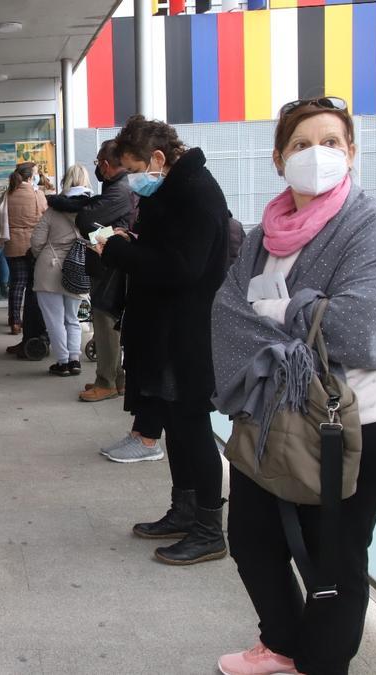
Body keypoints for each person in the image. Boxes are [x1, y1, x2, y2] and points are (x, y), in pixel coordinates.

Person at [212, 98, 376, 675]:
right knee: (252, 539)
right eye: (302, 145)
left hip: (358, 427)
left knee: (334, 563)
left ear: (351, 152)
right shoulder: (261, 237)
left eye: (331, 142)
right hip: (275, 417)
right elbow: (226, 315)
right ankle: (282, 645)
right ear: (279, 159)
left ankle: (321, 665)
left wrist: (272, 311)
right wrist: (302, 314)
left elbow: (359, 324)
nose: (317, 155)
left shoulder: (374, 223)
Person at [95, 115, 230, 565]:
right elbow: (164, 252)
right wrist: (128, 239)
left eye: (134, 168)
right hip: (164, 328)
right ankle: (184, 509)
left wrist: (115, 249)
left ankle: (209, 527)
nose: (133, 178)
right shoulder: (174, 191)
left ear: (157, 158)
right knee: (177, 425)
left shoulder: (195, 193)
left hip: (187, 332)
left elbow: (181, 267)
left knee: (193, 428)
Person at [69, 140, 135, 402]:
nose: (98, 168)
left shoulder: (119, 191)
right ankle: (117, 379)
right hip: (110, 260)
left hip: (110, 265)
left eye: (98, 163)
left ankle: (106, 381)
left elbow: (84, 220)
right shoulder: (116, 189)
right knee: (107, 318)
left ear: (106, 165)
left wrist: (99, 234)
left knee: (105, 318)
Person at [31, 164, 93, 377]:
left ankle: (63, 362)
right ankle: (75, 360)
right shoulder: (93, 207)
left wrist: (46, 255)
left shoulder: (53, 209)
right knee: (72, 318)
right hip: (78, 268)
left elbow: (37, 240)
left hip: (50, 267)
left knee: (53, 319)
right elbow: (100, 236)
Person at [4, 162, 49, 334]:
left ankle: (14, 321)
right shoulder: (38, 194)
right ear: (30, 177)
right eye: (36, 173)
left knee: (16, 284)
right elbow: (45, 216)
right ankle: (31, 319)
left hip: (13, 244)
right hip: (34, 245)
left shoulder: (8, 194)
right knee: (32, 285)